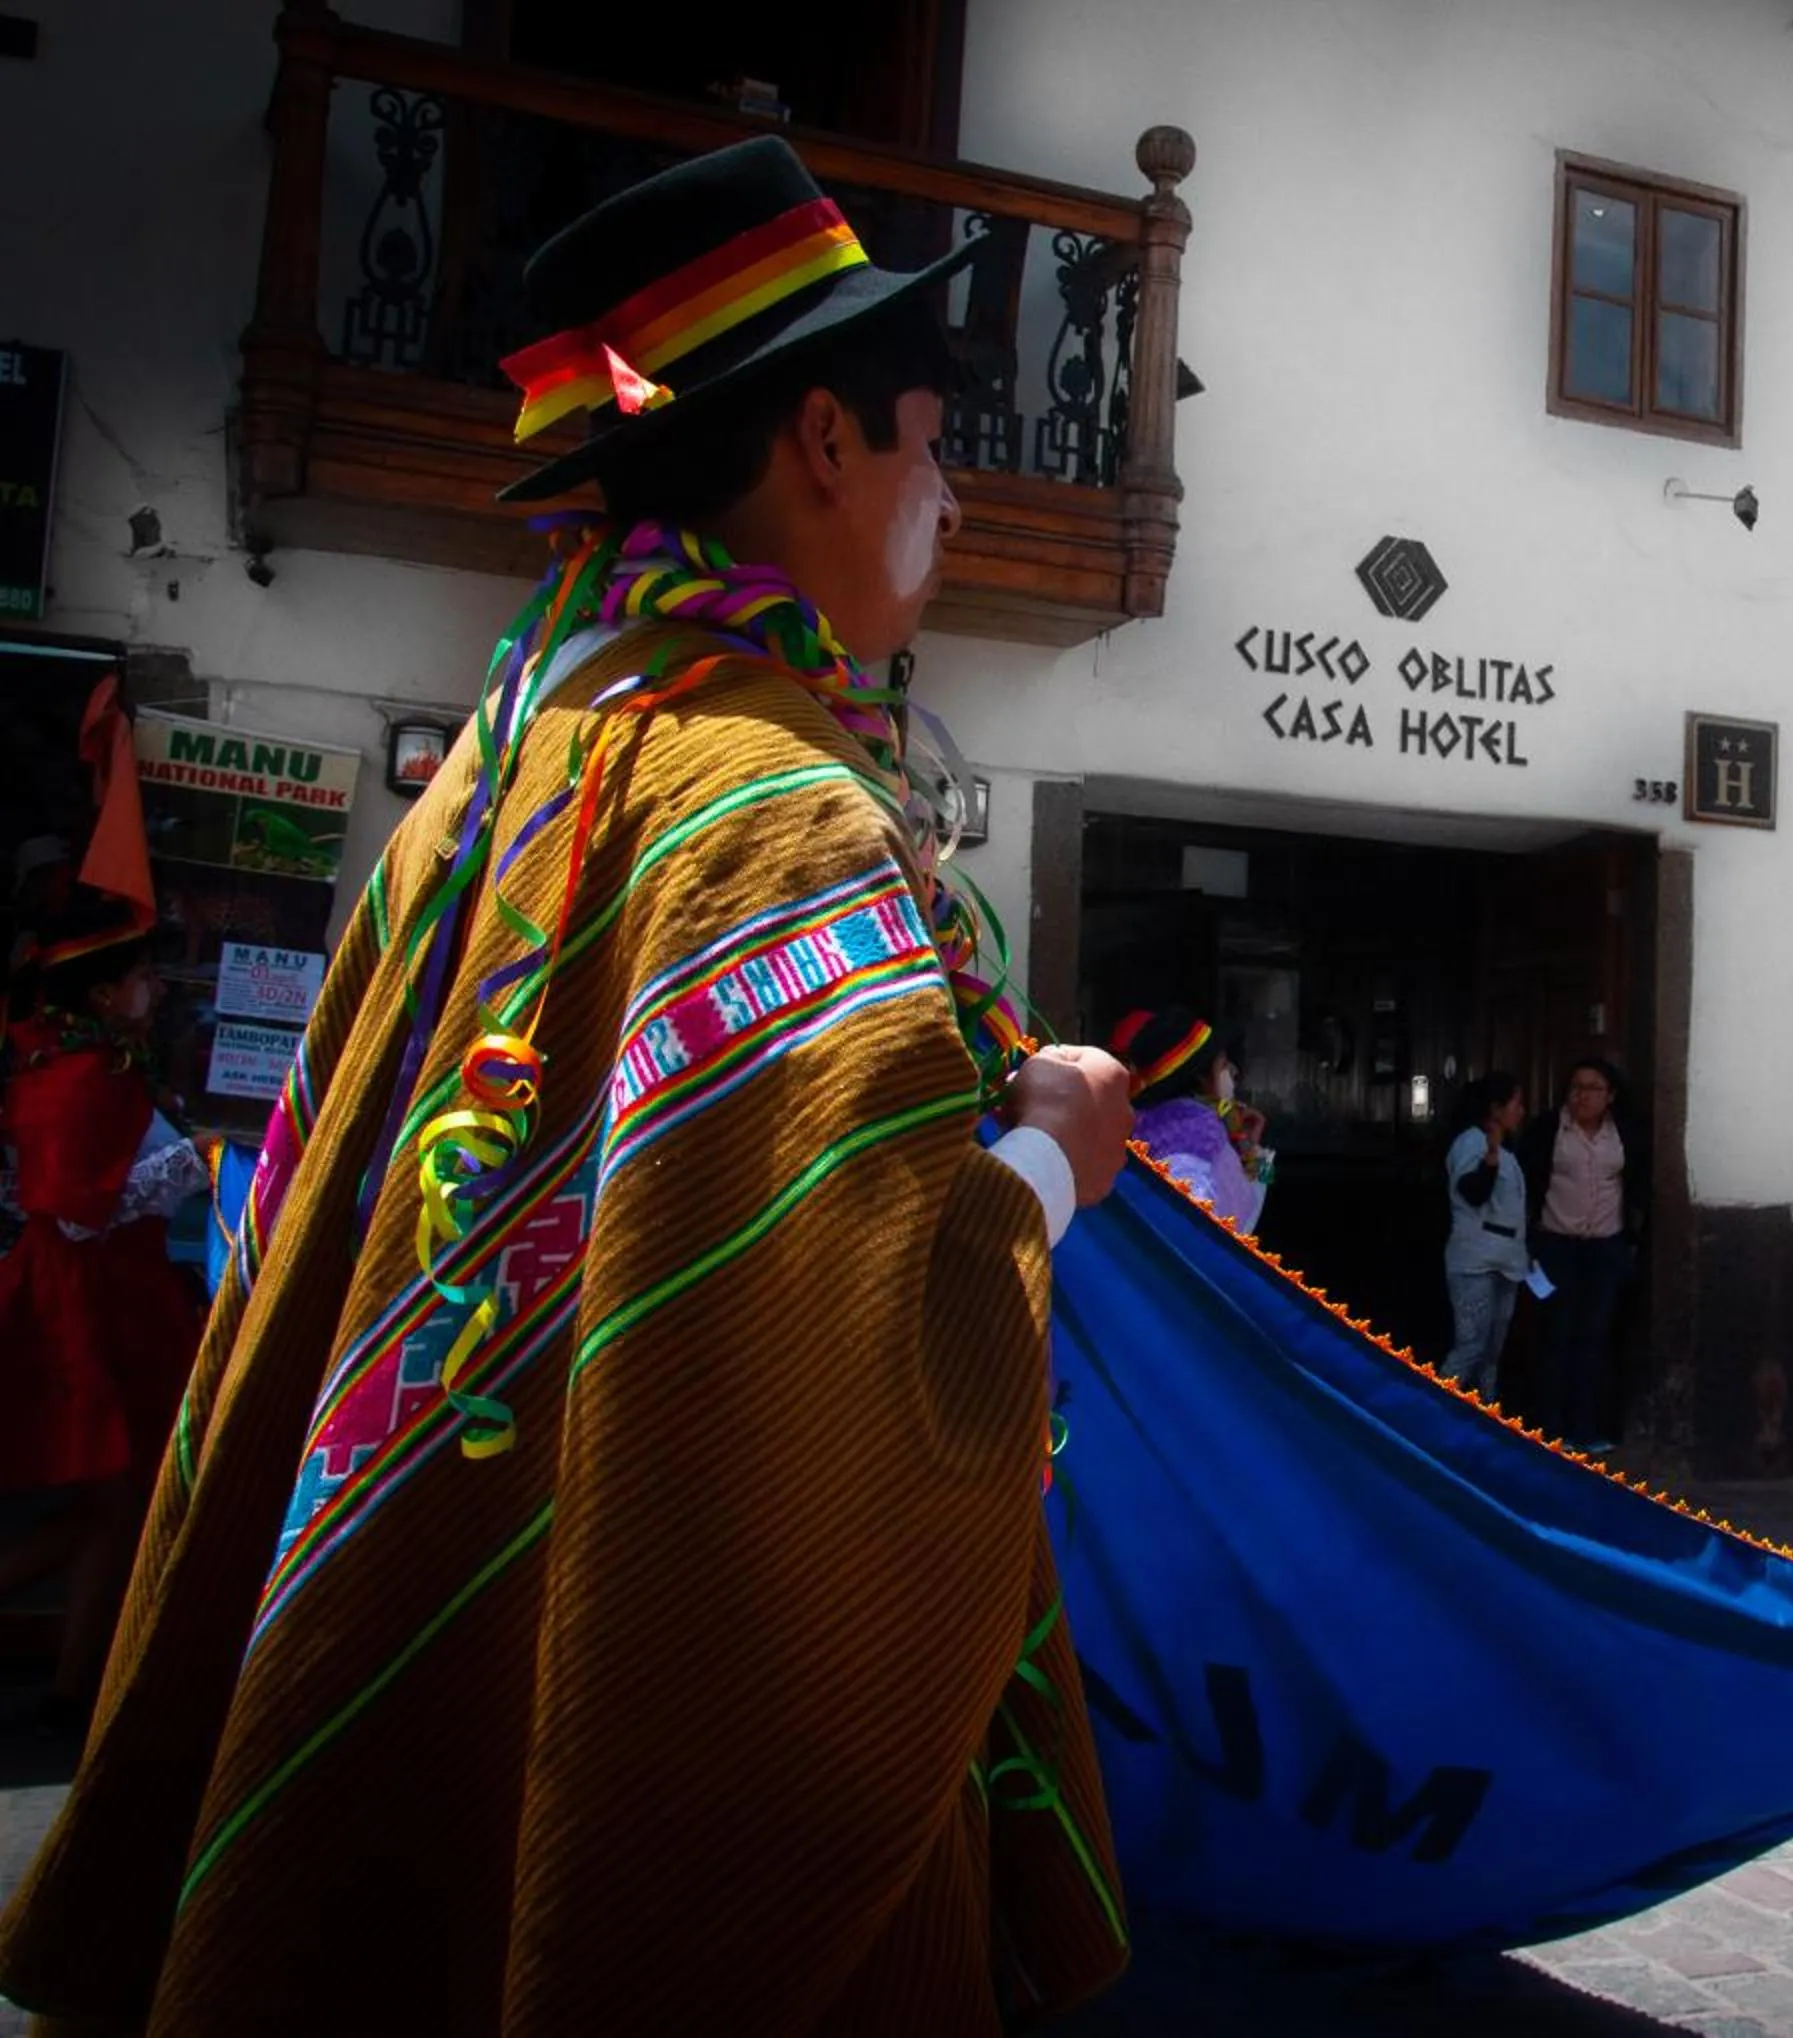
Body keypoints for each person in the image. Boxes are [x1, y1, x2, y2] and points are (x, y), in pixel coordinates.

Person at [0, 138, 1143, 2035]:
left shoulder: (507, 762)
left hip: (424, 1615)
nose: (952, 499)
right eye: (936, 444)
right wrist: (1048, 1154)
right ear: (825, 445)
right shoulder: (778, 811)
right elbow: (856, 1379)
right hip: (640, 1659)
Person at [0, 907, 210, 1726]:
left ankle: (75, 1680)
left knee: (110, 1503)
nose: (154, 990)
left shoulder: (68, 1065)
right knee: (114, 1498)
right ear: (101, 991)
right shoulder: (84, 1076)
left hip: (100, 1293)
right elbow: (82, 1204)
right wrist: (204, 1160)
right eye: (142, 978)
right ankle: (74, 1681)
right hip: (85, 1301)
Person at [1520, 1056, 1639, 1451]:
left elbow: (1637, 1183)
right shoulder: (1548, 1130)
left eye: (1592, 1088)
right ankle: (1553, 1430)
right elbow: (1528, 1181)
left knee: (1596, 1337)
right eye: (1576, 1087)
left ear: (1610, 1096)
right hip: (1557, 1246)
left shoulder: (1622, 1133)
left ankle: (1588, 1428)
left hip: (1605, 1247)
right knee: (1557, 1335)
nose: (1582, 1096)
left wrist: (1631, 1240)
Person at [1110, 1004, 1270, 1234]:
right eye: (1223, 1065)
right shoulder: (1193, 1134)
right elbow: (1190, 1224)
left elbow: (1249, 1183)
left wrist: (1252, 1145)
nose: (1232, 1072)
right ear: (1202, 1078)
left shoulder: (1209, 1128)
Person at [1442, 1071, 1531, 1399]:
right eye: (1516, 1103)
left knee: (1491, 1352)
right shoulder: (1472, 1142)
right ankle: (1435, 1413)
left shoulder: (1507, 1151)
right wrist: (1490, 1159)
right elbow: (1472, 1190)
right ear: (1496, 1109)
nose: (1521, 1111)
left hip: (1506, 1259)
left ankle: (1487, 1417)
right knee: (1470, 1347)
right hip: (1477, 1260)